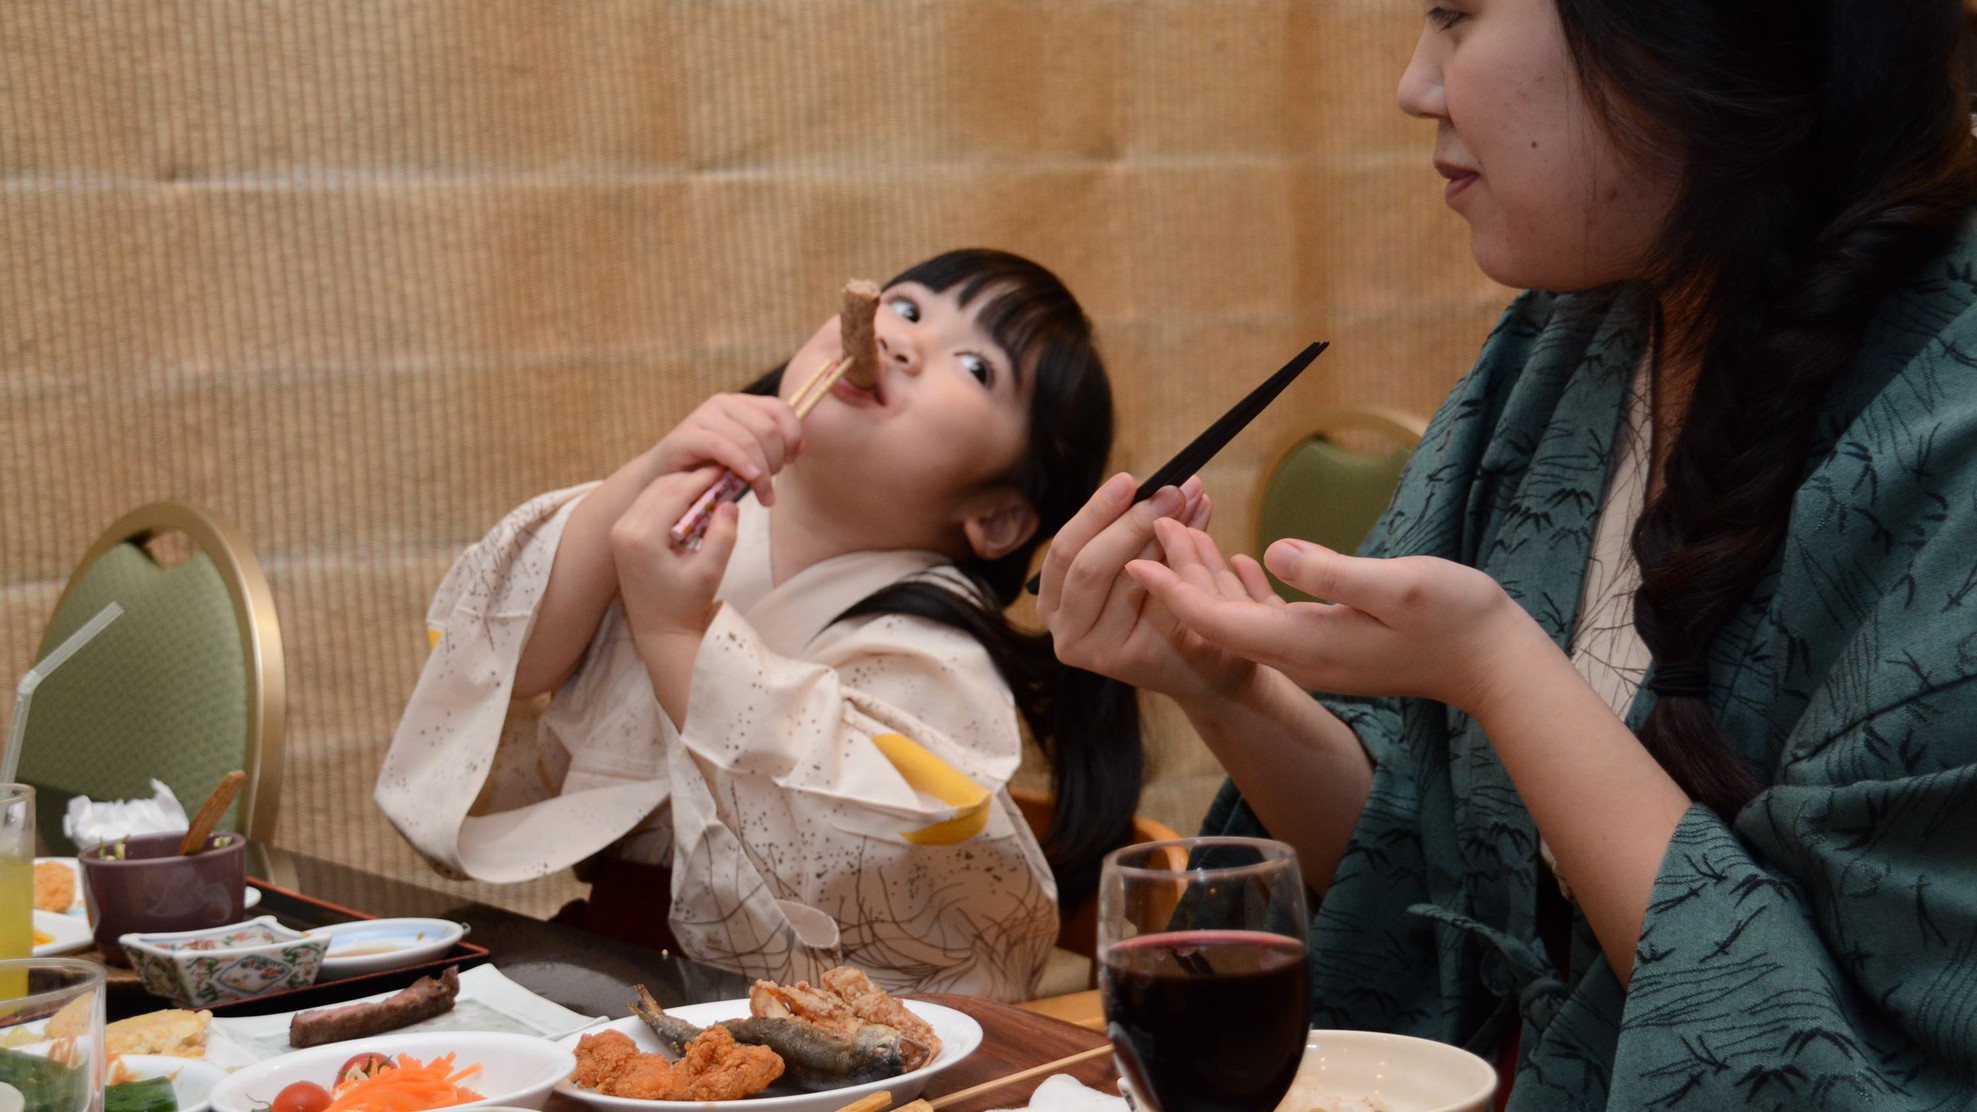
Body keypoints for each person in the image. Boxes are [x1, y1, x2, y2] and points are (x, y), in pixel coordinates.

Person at [1040, 0, 1977, 1105]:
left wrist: (1500, 667)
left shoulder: (1946, 423)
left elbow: (1845, 1066)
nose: (1413, 84)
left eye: (1456, 17)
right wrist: (1216, 675)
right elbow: (1432, 889)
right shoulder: (1568, 337)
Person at [377, 248, 1142, 1001]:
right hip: (605, 960)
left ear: (999, 517)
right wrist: (646, 476)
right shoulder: (686, 530)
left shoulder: (936, 652)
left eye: (976, 368)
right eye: (904, 307)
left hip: (775, 1014)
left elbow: (846, 858)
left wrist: (679, 637)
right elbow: (508, 662)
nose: (899, 339)